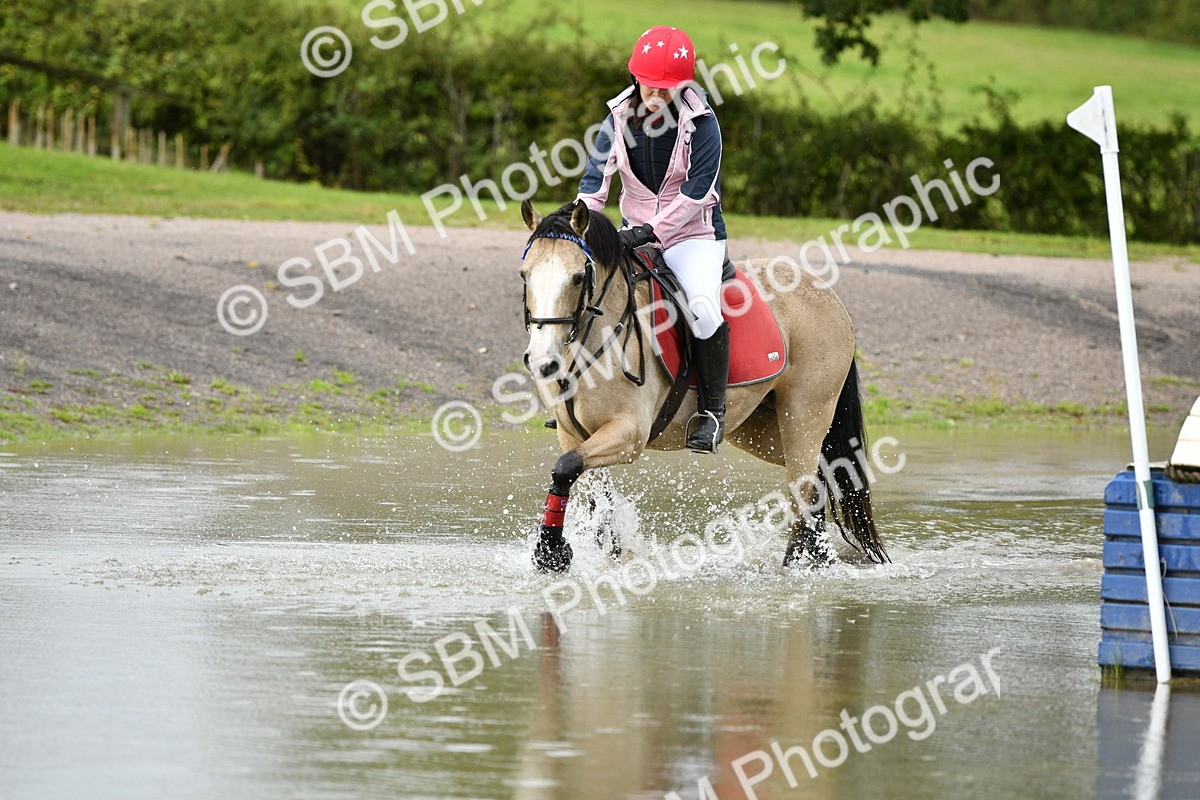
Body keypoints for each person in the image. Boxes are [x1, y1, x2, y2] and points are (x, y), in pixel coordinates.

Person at [576, 25, 730, 454]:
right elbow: (594, 185)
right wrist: (578, 226)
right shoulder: (616, 118)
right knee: (590, 293)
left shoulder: (703, 123)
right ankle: (579, 397)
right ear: (634, 77)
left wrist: (651, 232)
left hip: (693, 236)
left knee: (702, 310)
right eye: (649, 85)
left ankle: (712, 413)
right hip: (634, 234)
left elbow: (697, 193)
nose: (657, 94)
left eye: (667, 88)